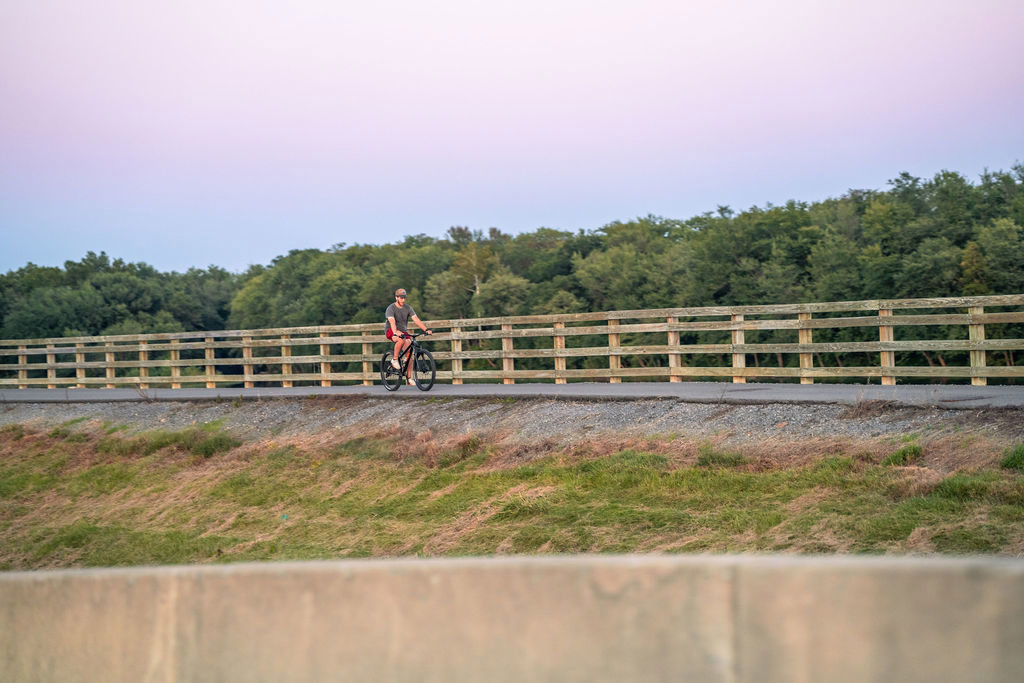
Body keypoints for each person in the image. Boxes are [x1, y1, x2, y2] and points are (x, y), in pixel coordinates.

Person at [385, 288, 431, 385]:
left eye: (404, 298)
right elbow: (392, 321)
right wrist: (395, 332)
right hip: (391, 331)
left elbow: (416, 319)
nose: (403, 300)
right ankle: (395, 359)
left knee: (410, 354)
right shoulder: (391, 308)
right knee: (400, 340)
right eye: (401, 298)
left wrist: (425, 329)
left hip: (403, 331)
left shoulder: (408, 308)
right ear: (396, 297)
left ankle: (409, 378)